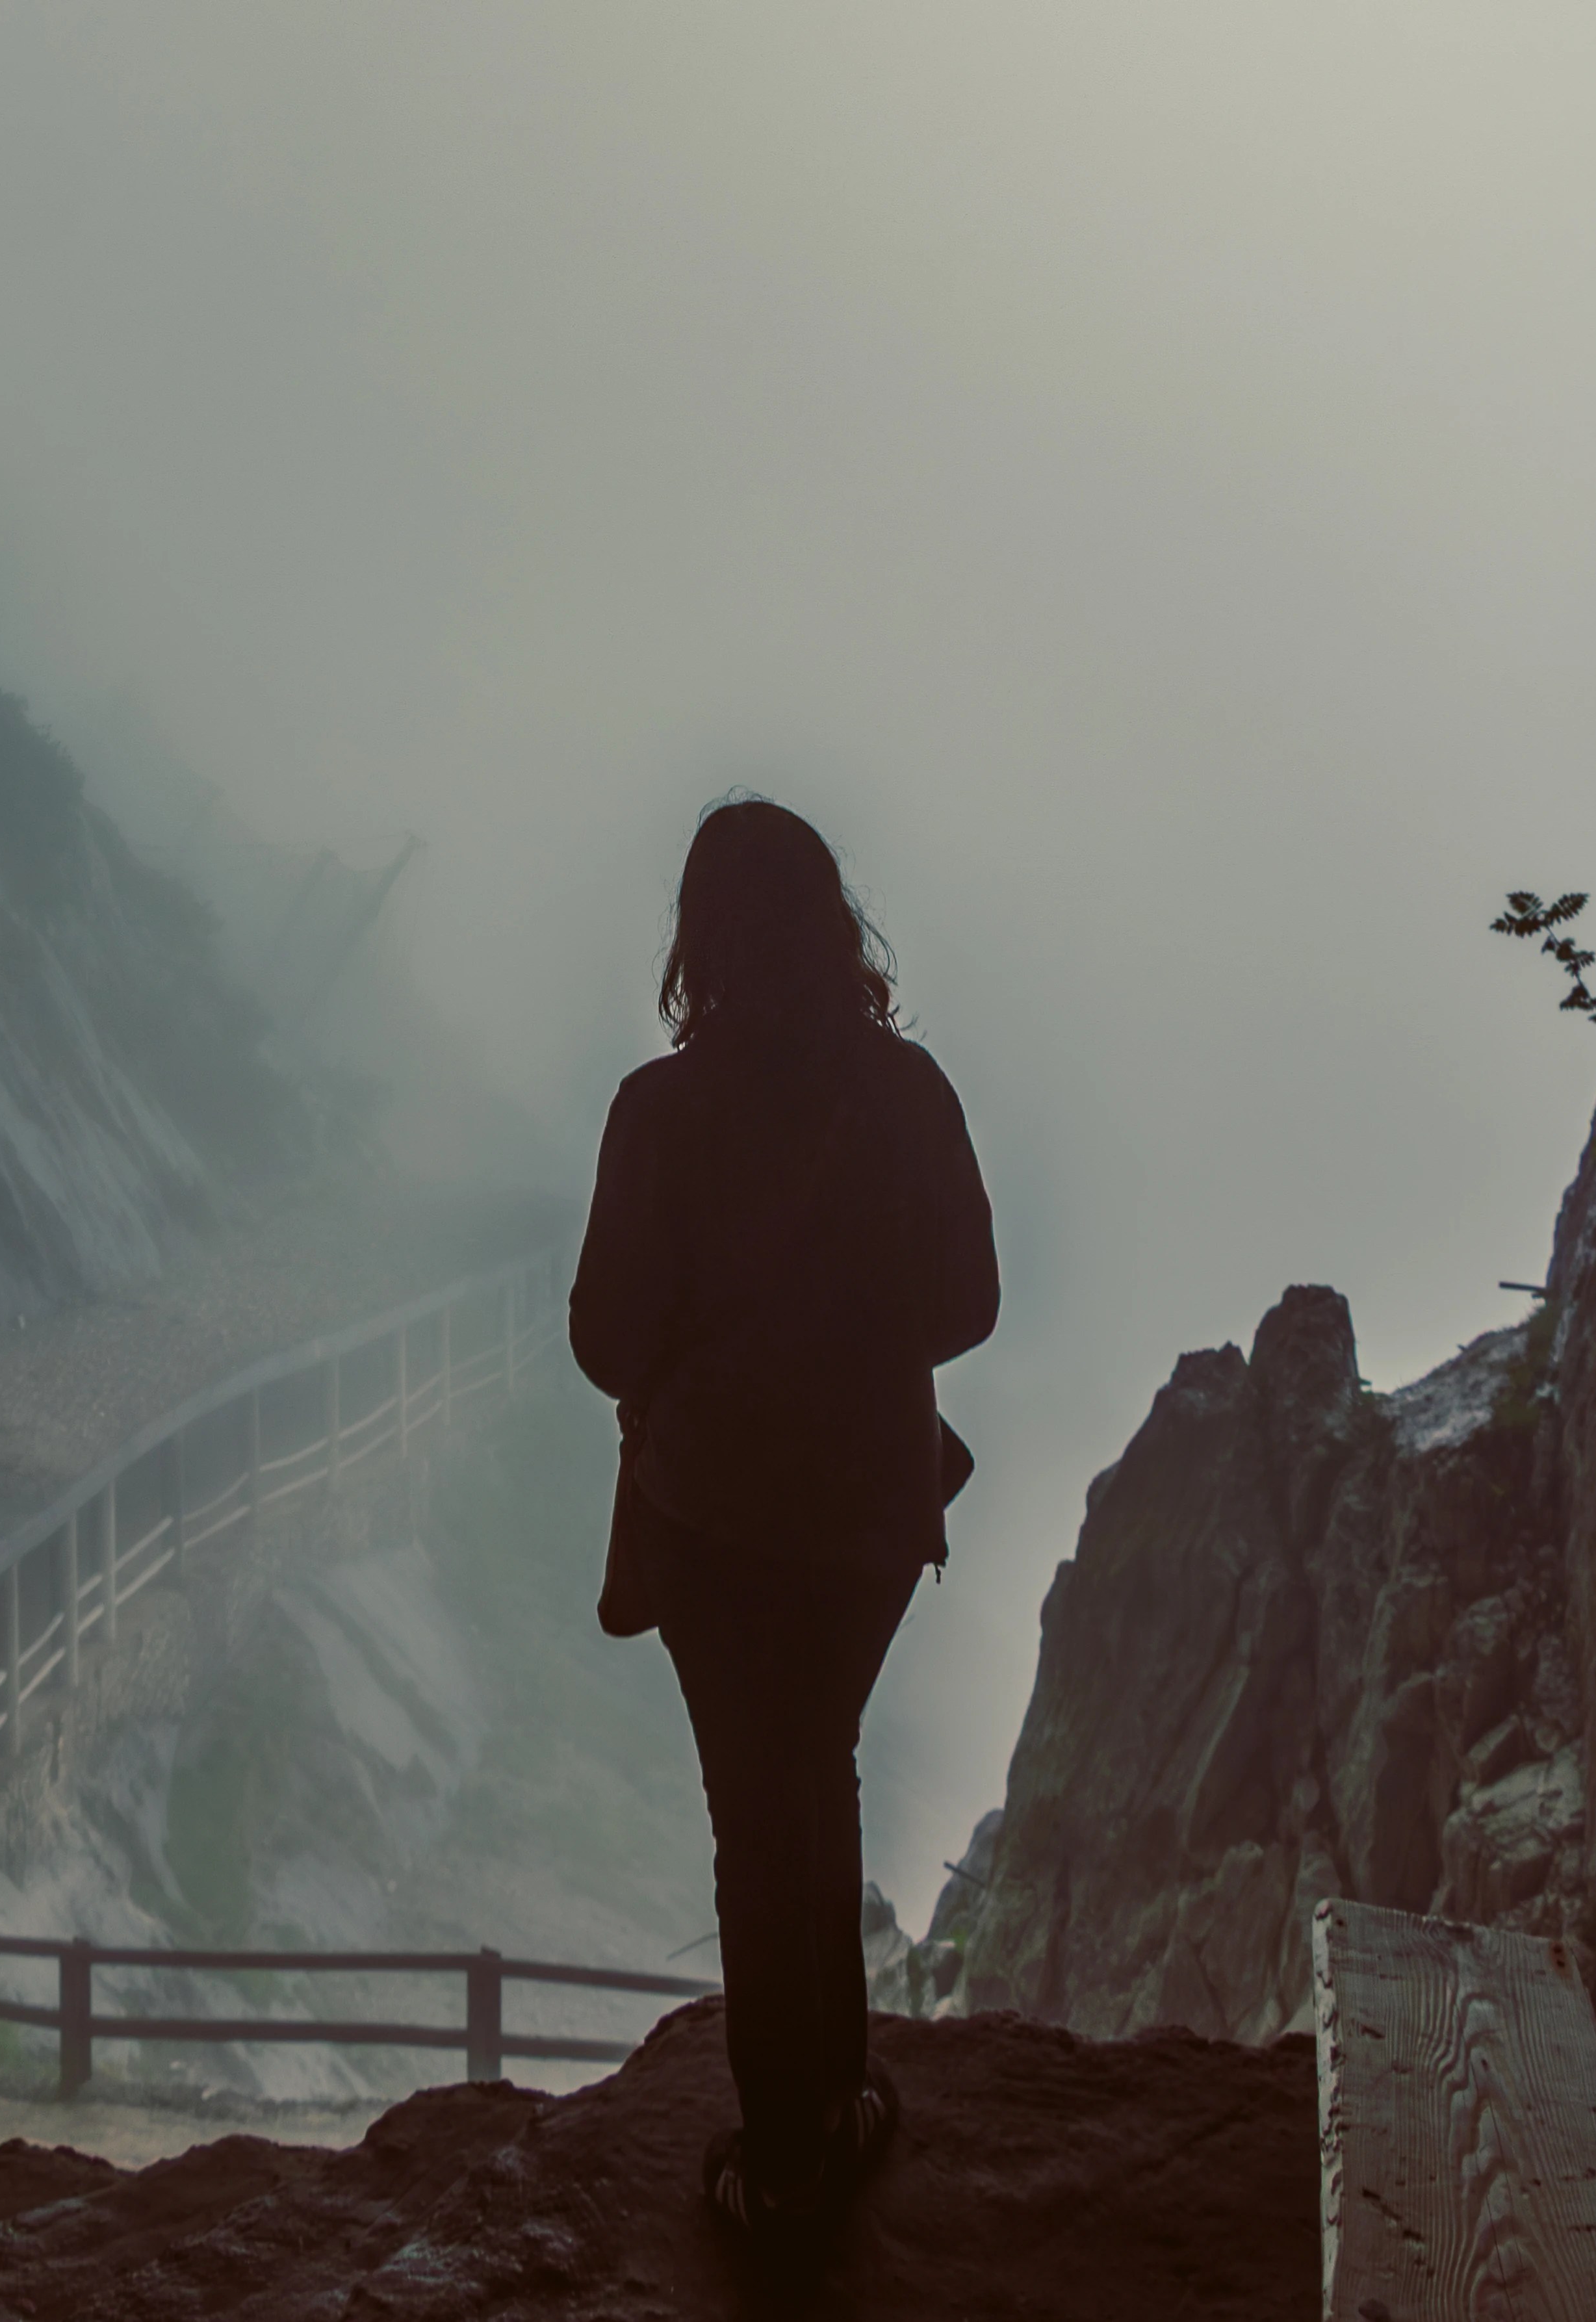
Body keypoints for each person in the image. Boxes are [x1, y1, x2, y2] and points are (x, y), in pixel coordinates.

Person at [569, 795, 997, 2240]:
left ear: (698, 942)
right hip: (868, 1514)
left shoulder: (659, 1111)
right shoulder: (907, 1090)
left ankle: (781, 2160)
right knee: (816, 1768)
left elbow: (606, 1343)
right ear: (833, 925)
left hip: (711, 1521)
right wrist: (850, 1335)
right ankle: (837, 2095)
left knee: (756, 1809)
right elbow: (968, 1305)